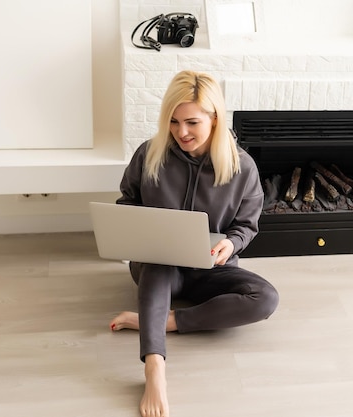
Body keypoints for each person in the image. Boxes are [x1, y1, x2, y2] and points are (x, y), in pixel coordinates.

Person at [108, 70, 279, 417]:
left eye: (191, 122)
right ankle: (154, 368)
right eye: (172, 121)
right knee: (157, 262)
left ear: (215, 119)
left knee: (266, 298)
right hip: (158, 266)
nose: (180, 132)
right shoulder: (150, 154)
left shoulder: (241, 166)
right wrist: (134, 231)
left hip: (210, 269)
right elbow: (127, 202)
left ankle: (165, 320)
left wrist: (230, 245)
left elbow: (246, 225)